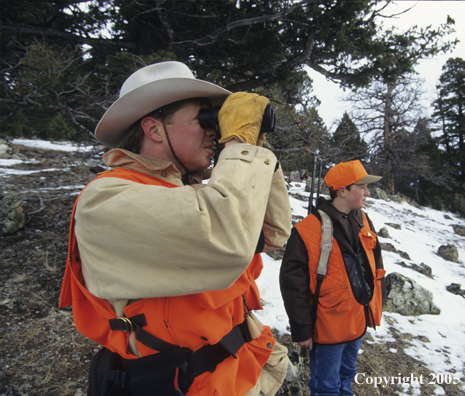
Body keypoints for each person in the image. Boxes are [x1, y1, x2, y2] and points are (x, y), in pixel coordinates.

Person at [58, 61, 292, 396]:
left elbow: (272, 231)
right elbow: (227, 238)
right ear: (153, 129)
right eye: (204, 118)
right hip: (184, 385)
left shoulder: (194, 192)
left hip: (242, 372)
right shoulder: (105, 200)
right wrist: (238, 144)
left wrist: (253, 150)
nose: (215, 130)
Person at [279, 160, 386, 396]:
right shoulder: (307, 230)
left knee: (347, 374)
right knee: (326, 386)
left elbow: (375, 266)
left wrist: (375, 306)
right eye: (362, 187)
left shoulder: (364, 219)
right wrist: (302, 331)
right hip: (329, 329)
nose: (368, 193)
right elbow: (292, 286)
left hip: (358, 320)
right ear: (342, 191)